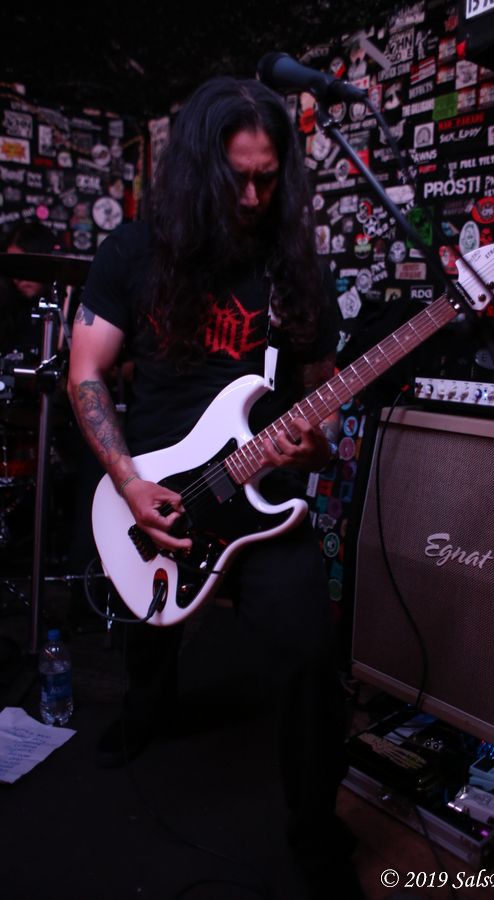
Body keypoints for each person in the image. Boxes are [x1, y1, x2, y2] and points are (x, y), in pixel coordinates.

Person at [67, 77, 365, 899]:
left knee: (310, 651)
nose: (252, 197)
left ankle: (314, 833)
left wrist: (316, 444)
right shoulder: (135, 251)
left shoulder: (294, 270)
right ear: (198, 168)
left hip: (258, 489)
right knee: (148, 617)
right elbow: (86, 373)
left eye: (268, 179)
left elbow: (322, 391)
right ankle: (148, 709)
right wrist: (129, 481)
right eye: (236, 178)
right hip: (154, 480)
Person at [0, 221, 57, 355]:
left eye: (25, 265)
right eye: (13, 266)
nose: (18, 276)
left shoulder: (67, 309)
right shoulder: (5, 305)